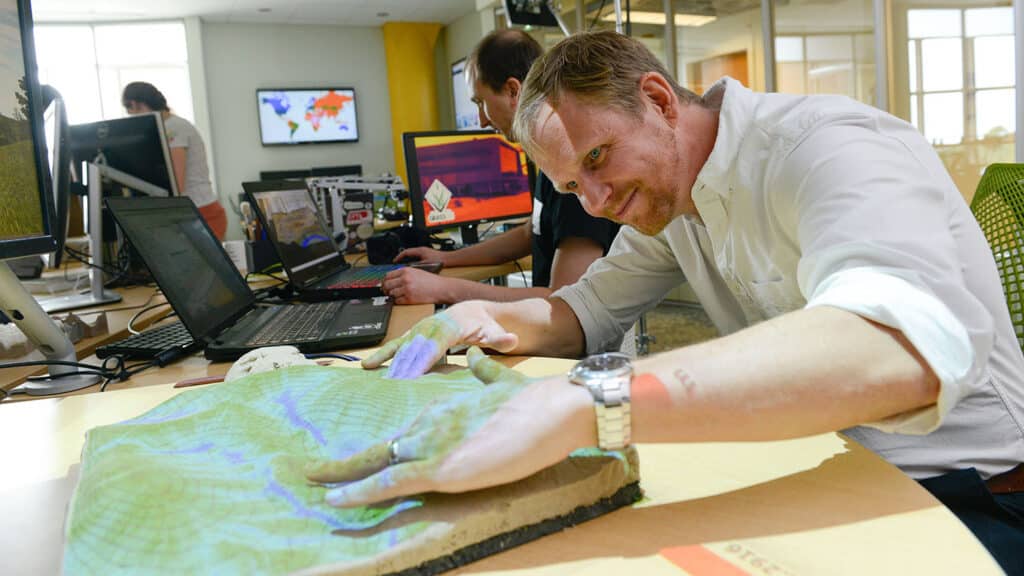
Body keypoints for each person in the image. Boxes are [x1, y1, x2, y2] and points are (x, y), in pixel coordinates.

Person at [304, 31, 1024, 573]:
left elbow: (895, 345)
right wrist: (480, 315)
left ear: (657, 100)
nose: (596, 202)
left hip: (973, 495)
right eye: (571, 188)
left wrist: (584, 404)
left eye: (597, 158)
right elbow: (584, 311)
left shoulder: (829, 146)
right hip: (839, 465)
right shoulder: (670, 203)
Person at [381, 29, 618, 305]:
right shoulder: (549, 157)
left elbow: (564, 301)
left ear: (513, 91)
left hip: (568, 328)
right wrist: (446, 258)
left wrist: (444, 289)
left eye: (481, 102)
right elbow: (530, 232)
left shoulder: (573, 168)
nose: (482, 120)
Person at [122, 81, 228, 240]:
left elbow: (175, 183)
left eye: (131, 113)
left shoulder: (174, 128)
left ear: (136, 105)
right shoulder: (163, 127)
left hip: (202, 212)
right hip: (189, 212)